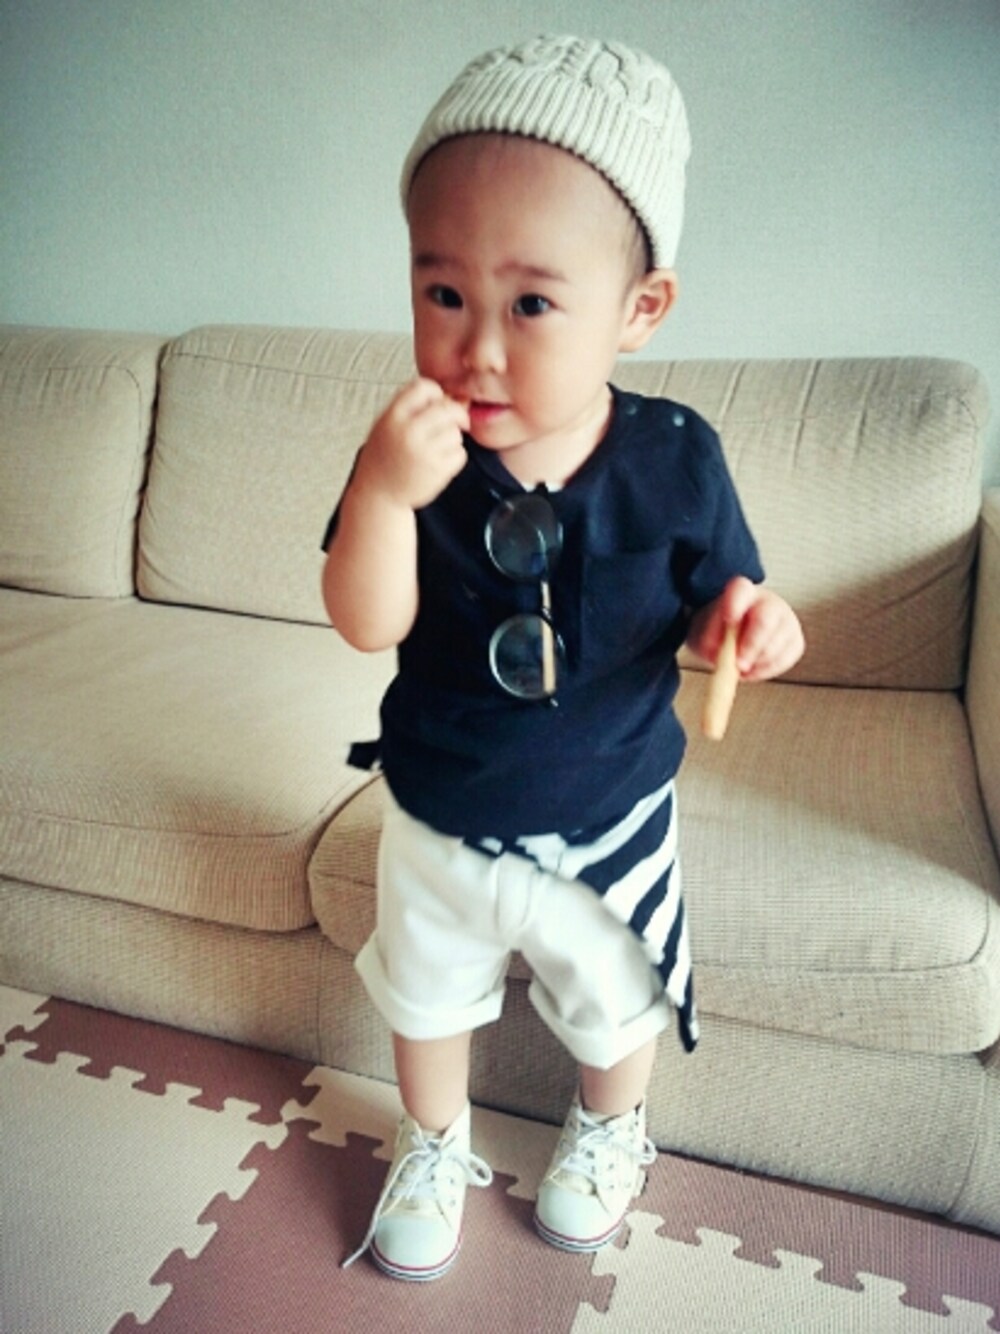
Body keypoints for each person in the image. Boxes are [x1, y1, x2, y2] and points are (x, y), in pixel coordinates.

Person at [323, 34, 804, 1282]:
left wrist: (757, 625)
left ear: (638, 311)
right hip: (438, 799)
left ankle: (609, 1122)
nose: (477, 346)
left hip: (610, 805)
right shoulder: (412, 450)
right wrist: (382, 493)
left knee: (614, 992)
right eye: (442, 293)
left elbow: (723, 605)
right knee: (425, 992)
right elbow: (365, 619)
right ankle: (432, 1139)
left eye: (531, 304)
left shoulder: (675, 455)